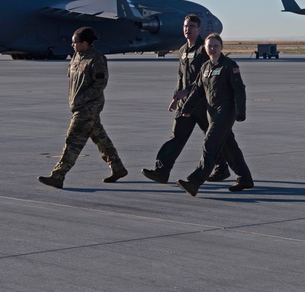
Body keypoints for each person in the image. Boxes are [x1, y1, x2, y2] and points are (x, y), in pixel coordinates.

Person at [141, 14, 229, 184]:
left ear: (199, 29)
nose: (187, 29)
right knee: (177, 137)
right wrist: (176, 97)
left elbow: (203, 78)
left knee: (212, 138)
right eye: (185, 26)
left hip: (203, 103)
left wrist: (187, 91)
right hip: (185, 104)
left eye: (191, 26)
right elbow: (181, 77)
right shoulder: (183, 50)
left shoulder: (204, 50)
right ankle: (162, 171)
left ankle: (222, 168)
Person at [38, 27, 127, 188]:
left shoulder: (97, 59)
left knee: (73, 140)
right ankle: (118, 168)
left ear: (85, 43)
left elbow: (100, 84)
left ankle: (58, 175)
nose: (72, 45)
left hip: (88, 107)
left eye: (75, 42)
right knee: (100, 138)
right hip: (78, 105)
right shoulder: (76, 57)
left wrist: (82, 99)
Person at [177, 33, 253, 196]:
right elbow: (197, 90)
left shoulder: (229, 66)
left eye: (215, 46)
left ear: (221, 48)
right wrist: (187, 109)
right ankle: (245, 178)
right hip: (211, 112)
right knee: (229, 147)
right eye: (209, 46)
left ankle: (194, 181)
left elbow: (239, 90)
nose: (212, 48)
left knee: (209, 145)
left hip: (225, 113)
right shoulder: (205, 67)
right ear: (205, 48)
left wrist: (240, 112)